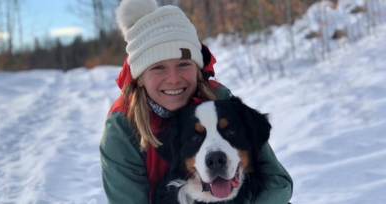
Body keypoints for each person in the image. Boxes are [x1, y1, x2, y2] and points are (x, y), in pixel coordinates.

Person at [100, 0, 293, 203]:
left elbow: (278, 185)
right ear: (139, 76)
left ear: (197, 68)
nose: (173, 79)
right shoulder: (122, 125)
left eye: (183, 64)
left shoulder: (220, 102)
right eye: (158, 67)